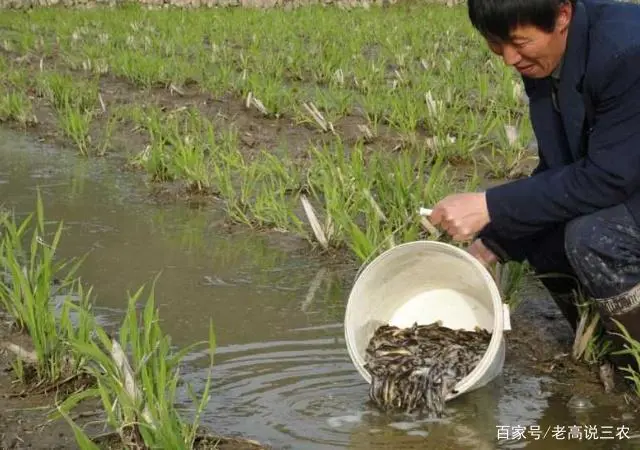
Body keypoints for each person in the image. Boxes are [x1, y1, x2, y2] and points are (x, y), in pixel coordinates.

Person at [429, 0, 640, 378]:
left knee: (593, 237)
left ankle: (634, 366)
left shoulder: (627, 52)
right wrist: (496, 240)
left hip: (624, 174)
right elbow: (560, 168)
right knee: (539, 233)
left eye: (518, 42)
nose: (509, 58)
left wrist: (490, 204)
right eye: (496, 43)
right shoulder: (546, 58)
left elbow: (608, 177)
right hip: (626, 169)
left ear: (562, 15)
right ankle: (601, 348)